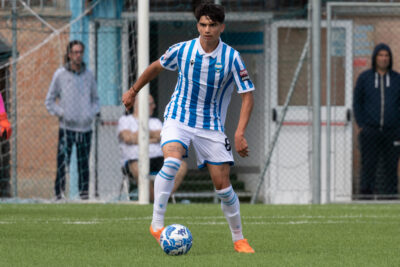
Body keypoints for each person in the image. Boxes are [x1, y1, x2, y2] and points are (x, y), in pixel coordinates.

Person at [122, 3, 255, 253]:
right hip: (178, 118)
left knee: (223, 187)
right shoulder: (183, 50)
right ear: (198, 25)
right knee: (172, 161)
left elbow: (247, 95)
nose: (207, 30)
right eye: (203, 25)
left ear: (221, 27)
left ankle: (239, 239)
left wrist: (239, 132)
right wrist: (132, 91)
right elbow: (155, 67)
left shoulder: (231, 58)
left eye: (212, 25)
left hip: (211, 125)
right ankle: (157, 225)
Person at [45, 40, 100, 200]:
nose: (78, 55)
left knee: (83, 165)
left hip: (85, 129)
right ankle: (59, 196)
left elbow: (96, 99)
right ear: (69, 54)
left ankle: (84, 196)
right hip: (66, 128)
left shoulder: (89, 75)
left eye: (80, 52)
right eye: (75, 52)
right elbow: (49, 100)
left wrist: (90, 113)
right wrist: (62, 113)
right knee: (63, 164)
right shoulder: (60, 74)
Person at [117, 94, 187, 201]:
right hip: (134, 160)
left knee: (181, 165)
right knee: (137, 167)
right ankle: (154, 200)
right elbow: (127, 138)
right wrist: (153, 137)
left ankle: (161, 199)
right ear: (139, 105)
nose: (154, 106)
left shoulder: (156, 122)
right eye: (151, 104)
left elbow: (164, 136)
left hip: (157, 158)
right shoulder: (125, 120)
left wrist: (142, 135)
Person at [353, 43, 400, 199]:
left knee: (391, 167)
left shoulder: (397, 79)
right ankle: (365, 199)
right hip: (369, 131)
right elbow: (357, 102)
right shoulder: (364, 78)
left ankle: (391, 199)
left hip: (393, 131)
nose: (384, 58)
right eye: (380, 55)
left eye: (386, 55)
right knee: (368, 166)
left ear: (390, 58)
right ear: (375, 58)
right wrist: (361, 125)